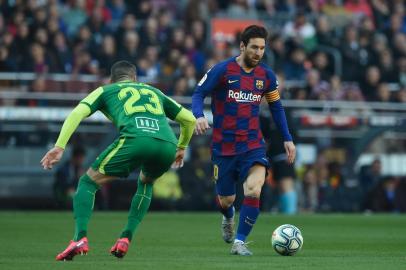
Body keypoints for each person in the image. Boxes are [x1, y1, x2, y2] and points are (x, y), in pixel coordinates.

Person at [41, 60, 196, 261]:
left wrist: (60, 145)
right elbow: (189, 120)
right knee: (146, 182)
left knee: (87, 182)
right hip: (167, 143)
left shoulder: (106, 90)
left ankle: (79, 238)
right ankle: (125, 238)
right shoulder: (154, 92)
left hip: (136, 139)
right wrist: (182, 147)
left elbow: (78, 112)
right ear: (135, 79)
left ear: (111, 79)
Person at [191, 25, 296, 256]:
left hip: (252, 144)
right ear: (242, 46)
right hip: (224, 146)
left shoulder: (266, 76)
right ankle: (227, 216)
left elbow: (276, 107)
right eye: (254, 47)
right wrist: (198, 116)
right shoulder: (222, 70)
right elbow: (198, 93)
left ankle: (240, 242)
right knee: (227, 199)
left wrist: (287, 138)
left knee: (253, 188)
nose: (258, 52)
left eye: (262, 48)